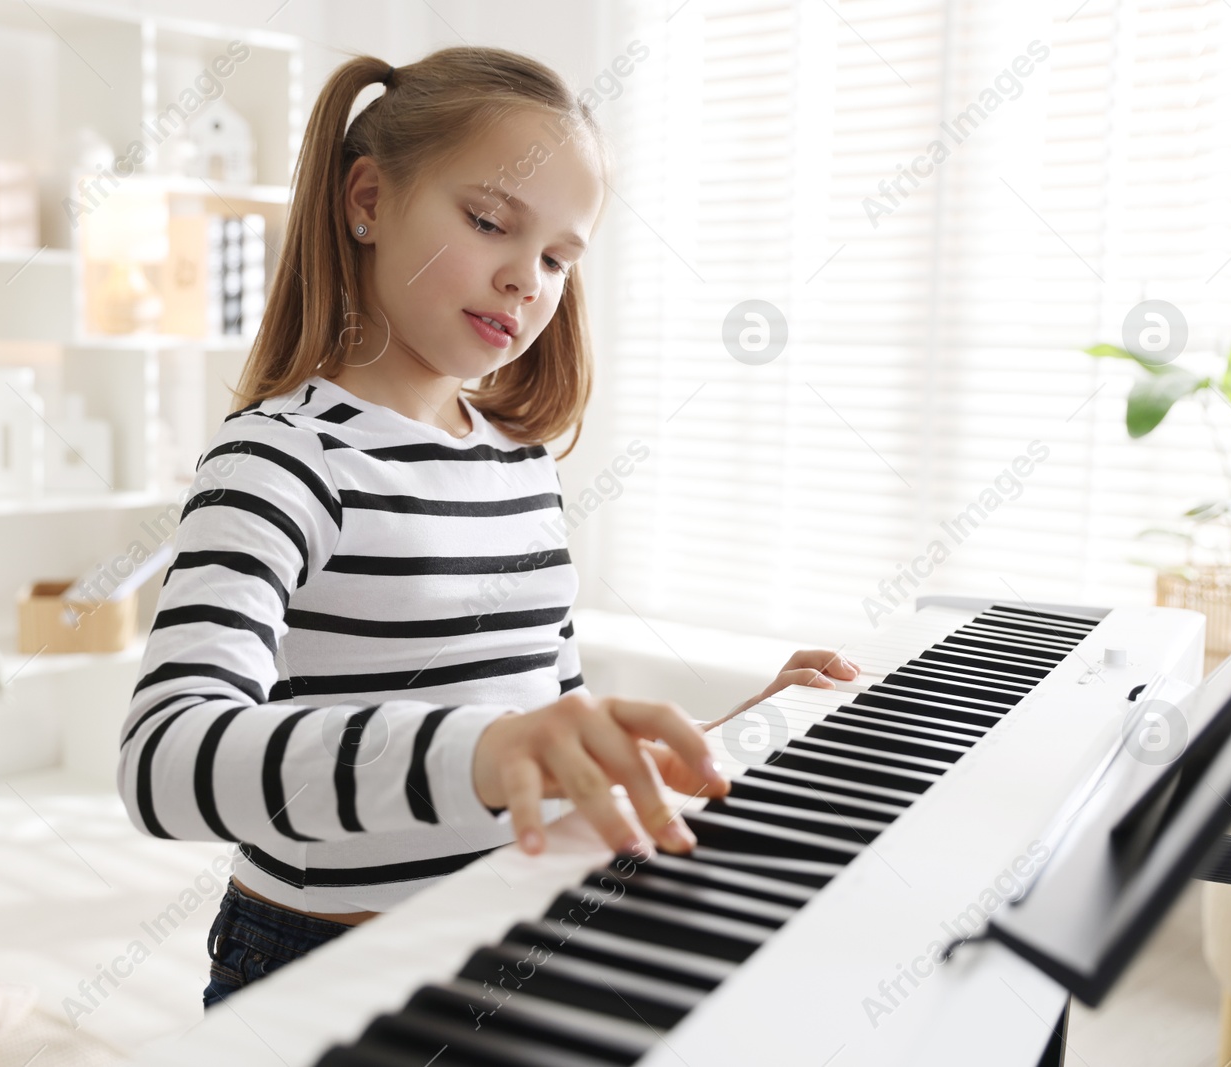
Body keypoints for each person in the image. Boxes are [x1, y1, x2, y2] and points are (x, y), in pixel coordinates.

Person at [113, 44, 858, 1012]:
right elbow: (166, 758)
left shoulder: (519, 463)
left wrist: (711, 737)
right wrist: (485, 752)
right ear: (368, 200)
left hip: (504, 930)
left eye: (557, 258)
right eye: (488, 222)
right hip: (324, 962)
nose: (526, 280)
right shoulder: (282, 457)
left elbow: (542, 728)